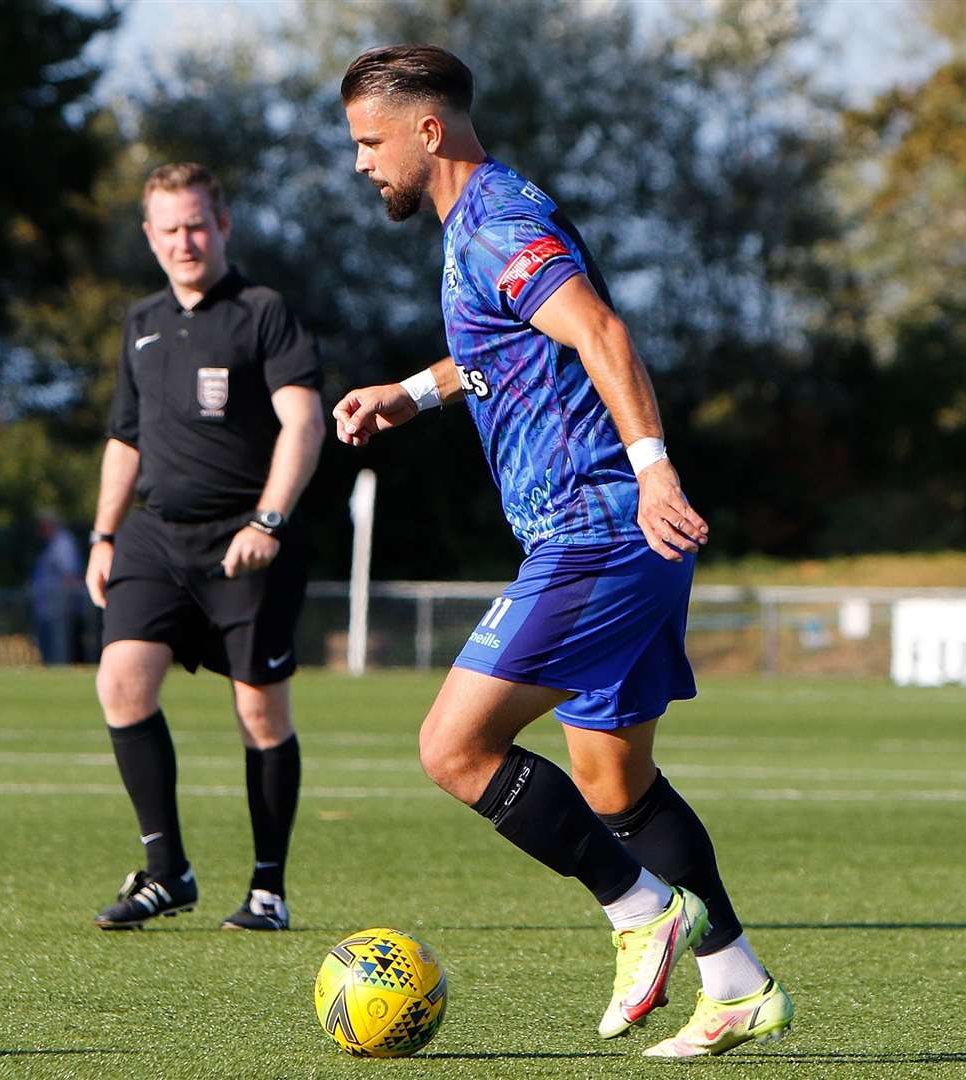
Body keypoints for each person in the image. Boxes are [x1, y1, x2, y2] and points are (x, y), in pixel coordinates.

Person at [334, 46, 793, 1057]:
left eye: (370, 142)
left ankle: (642, 913)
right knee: (614, 785)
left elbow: (601, 334)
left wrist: (655, 469)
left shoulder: (499, 220)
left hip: (598, 528)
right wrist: (408, 396)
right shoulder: (480, 225)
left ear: (429, 129)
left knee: (453, 749)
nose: (362, 164)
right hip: (612, 532)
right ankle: (739, 985)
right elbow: (508, 345)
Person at [85, 162, 325, 933]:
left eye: (196, 224)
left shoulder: (263, 312)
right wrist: (103, 534)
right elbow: (125, 438)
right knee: (122, 683)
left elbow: (304, 423)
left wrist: (269, 521)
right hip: (156, 537)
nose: (184, 241)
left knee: (260, 715)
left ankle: (267, 889)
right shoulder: (141, 321)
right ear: (149, 237)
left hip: (246, 542)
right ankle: (166, 872)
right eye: (169, 229)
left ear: (221, 225)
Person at [30, 510, 85, 664]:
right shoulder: (52, 544)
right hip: (48, 610)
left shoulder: (63, 543)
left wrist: (67, 603)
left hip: (59, 611)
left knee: (60, 656)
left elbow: (71, 575)